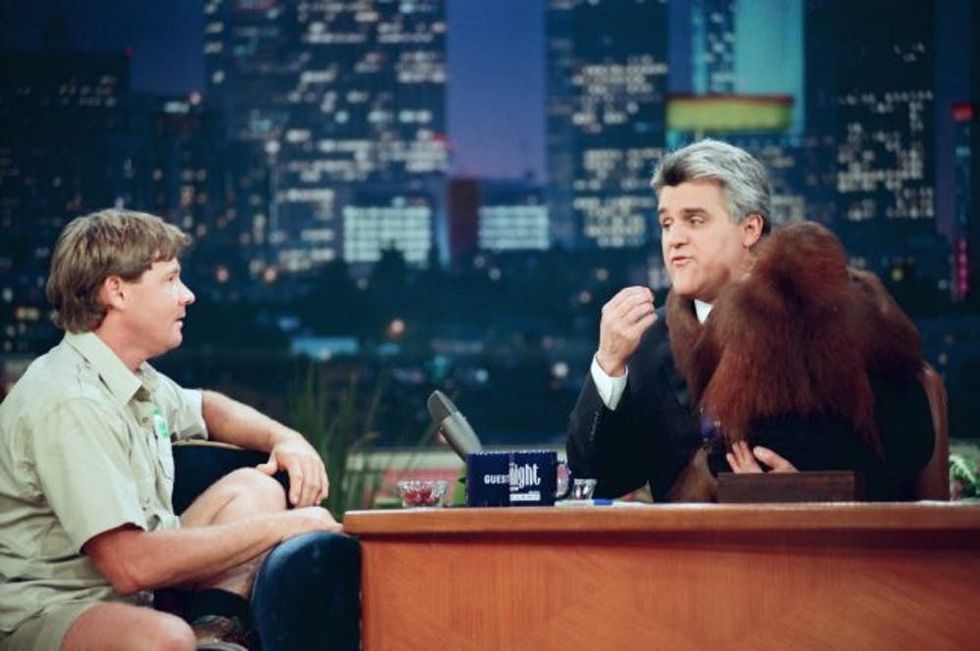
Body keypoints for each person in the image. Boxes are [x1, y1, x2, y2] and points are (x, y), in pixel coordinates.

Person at [0, 209, 341, 651]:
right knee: (164, 640)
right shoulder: (72, 401)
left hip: (127, 592)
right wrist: (290, 525)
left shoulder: (130, 376)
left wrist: (286, 440)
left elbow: (208, 407)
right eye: (170, 280)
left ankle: (214, 632)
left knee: (254, 490)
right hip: (49, 607)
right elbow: (130, 566)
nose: (188, 296)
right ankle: (190, 638)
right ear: (117, 291)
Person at [566, 139, 934, 502]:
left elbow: (910, 441)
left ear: (750, 229)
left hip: (817, 551)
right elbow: (596, 480)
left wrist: (815, 489)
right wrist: (609, 365)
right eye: (666, 223)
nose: (674, 239)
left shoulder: (824, 310)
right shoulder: (647, 341)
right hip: (685, 556)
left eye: (694, 220)